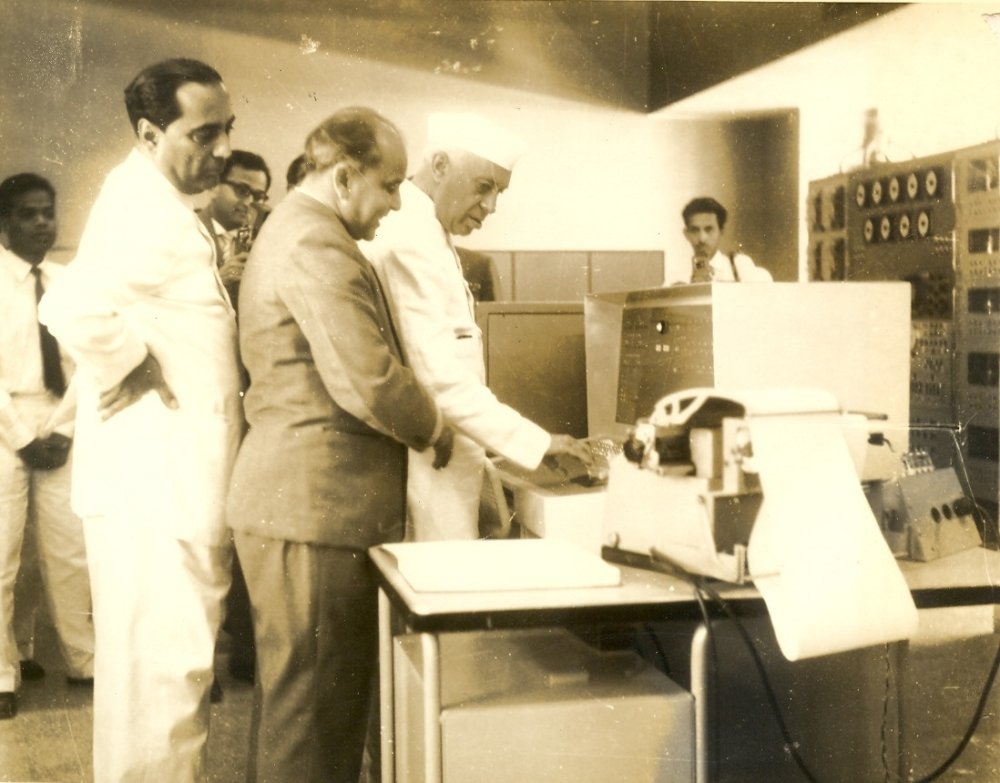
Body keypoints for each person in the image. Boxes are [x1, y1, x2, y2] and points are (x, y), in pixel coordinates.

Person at [226, 107, 453, 783]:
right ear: (346, 176)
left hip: (301, 507)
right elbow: (370, 380)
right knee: (315, 715)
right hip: (313, 507)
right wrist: (437, 427)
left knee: (297, 705)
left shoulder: (302, 231)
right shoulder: (314, 243)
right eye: (389, 185)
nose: (395, 202)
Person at [38, 58, 243, 781]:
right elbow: (65, 306)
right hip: (155, 492)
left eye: (228, 130)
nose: (221, 149)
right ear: (151, 133)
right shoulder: (139, 207)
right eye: (204, 134)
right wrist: (132, 363)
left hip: (167, 486)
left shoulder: (161, 201)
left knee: (158, 687)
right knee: (165, 684)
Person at [362, 111, 592, 542]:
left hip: (449, 463)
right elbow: (440, 380)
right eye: (484, 187)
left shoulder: (431, 233)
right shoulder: (409, 238)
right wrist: (535, 443)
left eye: (499, 192)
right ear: (440, 166)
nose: (491, 206)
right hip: (426, 472)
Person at [0, 173, 94, 720]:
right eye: (28, 214)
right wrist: (21, 437)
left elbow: (89, 364)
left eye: (47, 213)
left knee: (68, 548)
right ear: (5, 223)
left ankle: (85, 659)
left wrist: (63, 429)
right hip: (6, 423)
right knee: (4, 554)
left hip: (61, 421)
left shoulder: (67, 281)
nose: (41, 223)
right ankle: (4, 671)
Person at [199, 148, 271, 309]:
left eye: (258, 196)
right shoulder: (185, 229)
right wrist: (218, 282)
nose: (249, 202)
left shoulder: (261, 241)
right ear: (213, 186)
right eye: (242, 191)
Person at [679, 196, 773, 283]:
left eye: (709, 229)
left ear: (721, 231)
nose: (702, 238)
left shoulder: (739, 266)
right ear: (686, 234)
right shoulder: (677, 275)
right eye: (695, 230)